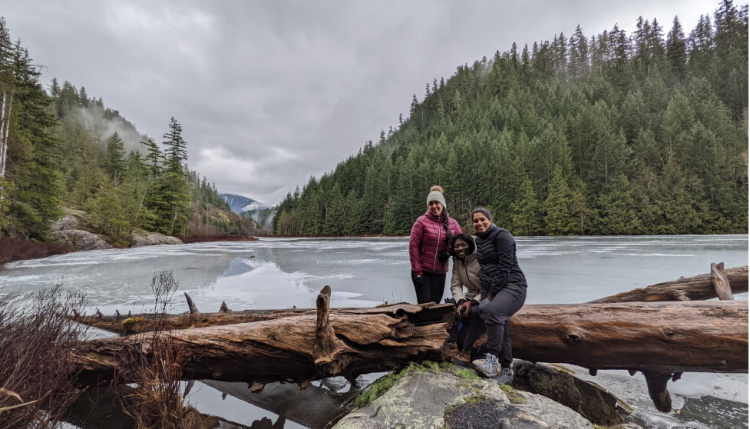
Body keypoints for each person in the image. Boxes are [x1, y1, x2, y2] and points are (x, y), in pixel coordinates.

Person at [471, 207, 527, 385]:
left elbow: (504, 268)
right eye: (475, 221)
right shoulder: (480, 240)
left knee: (493, 312)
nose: (479, 223)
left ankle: (491, 360)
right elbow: (486, 271)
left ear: (490, 219)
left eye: (482, 219)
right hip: (495, 287)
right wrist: (485, 295)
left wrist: (491, 295)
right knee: (494, 317)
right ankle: (507, 370)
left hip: (514, 285)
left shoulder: (502, 236)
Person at [409, 186, 462, 304]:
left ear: (442, 204)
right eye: (430, 203)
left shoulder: (453, 224)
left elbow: (461, 244)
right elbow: (413, 247)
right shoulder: (421, 222)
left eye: (436, 203)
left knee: (435, 303)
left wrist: (448, 252)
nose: (434, 206)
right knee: (425, 304)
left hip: (440, 272)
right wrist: (417, 271)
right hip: (422, 271)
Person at [449, 233, 484, 368]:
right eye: (456, 246)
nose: (460, 248)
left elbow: (489, 286)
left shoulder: (480, 258)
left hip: (487, 294)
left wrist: (472, 302)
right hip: (470, 294)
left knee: (475, 311)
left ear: (470, 245)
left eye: (463, 245)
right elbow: (456, 284)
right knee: (449, 306)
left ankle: (467, 350)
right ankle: (452, 345)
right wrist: (461, 301)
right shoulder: (457, 261)